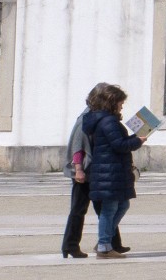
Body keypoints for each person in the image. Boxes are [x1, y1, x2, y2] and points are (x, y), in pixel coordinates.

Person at [79, 82, 141, 257]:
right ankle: (104, 246)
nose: (122, 105)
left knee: (122, 204)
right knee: (110, 208)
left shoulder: (104, 119)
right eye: (120, 102)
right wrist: (138, 140)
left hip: (110, 170)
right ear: (111, 102)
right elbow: (119, 145)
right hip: (109, 171)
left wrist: (136, 137)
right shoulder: (108, 121)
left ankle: (104, 241)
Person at [59, 96, 93, 259]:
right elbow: (77, 147)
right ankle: (70, 245)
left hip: (91, 171)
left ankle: (112, 243)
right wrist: (79, 169)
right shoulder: (85, 119)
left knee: (106, 209)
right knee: (78, 210)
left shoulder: (93, 117)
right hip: (84, 173)